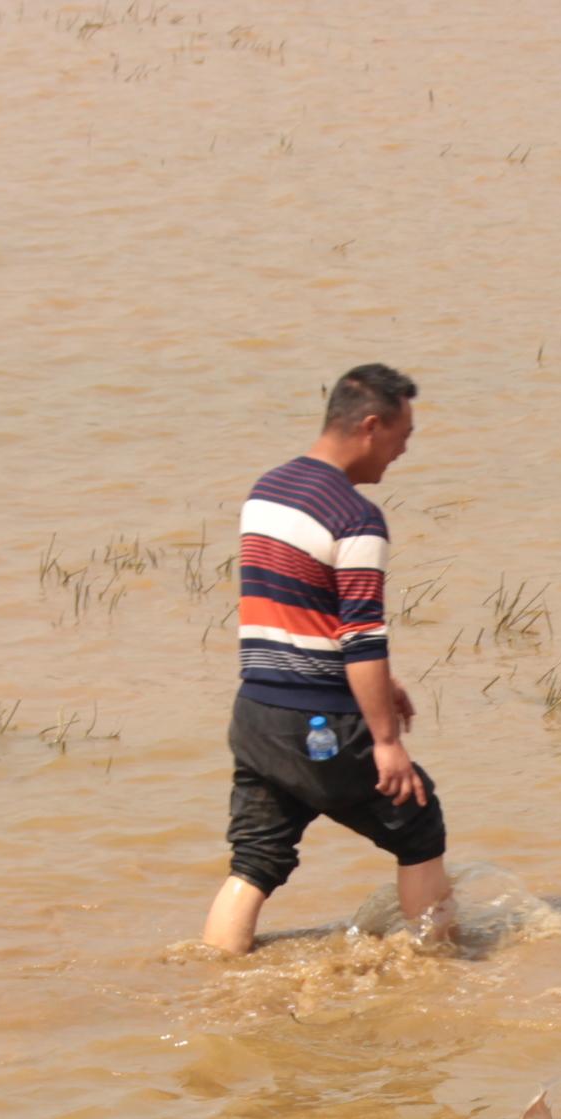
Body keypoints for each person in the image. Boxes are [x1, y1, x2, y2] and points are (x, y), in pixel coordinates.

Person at [199, 364, 453, 954]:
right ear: (370, 426)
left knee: (256, 861)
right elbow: (360, 636)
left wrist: (382, 685)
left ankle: (213, 975)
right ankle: (438, 969)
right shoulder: (354, 517)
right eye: (402, 435)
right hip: (319, 723)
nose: (403, 451)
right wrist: (386, 741)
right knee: (418, 822)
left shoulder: (269, 490)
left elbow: (300, 610)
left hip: (257, 711)